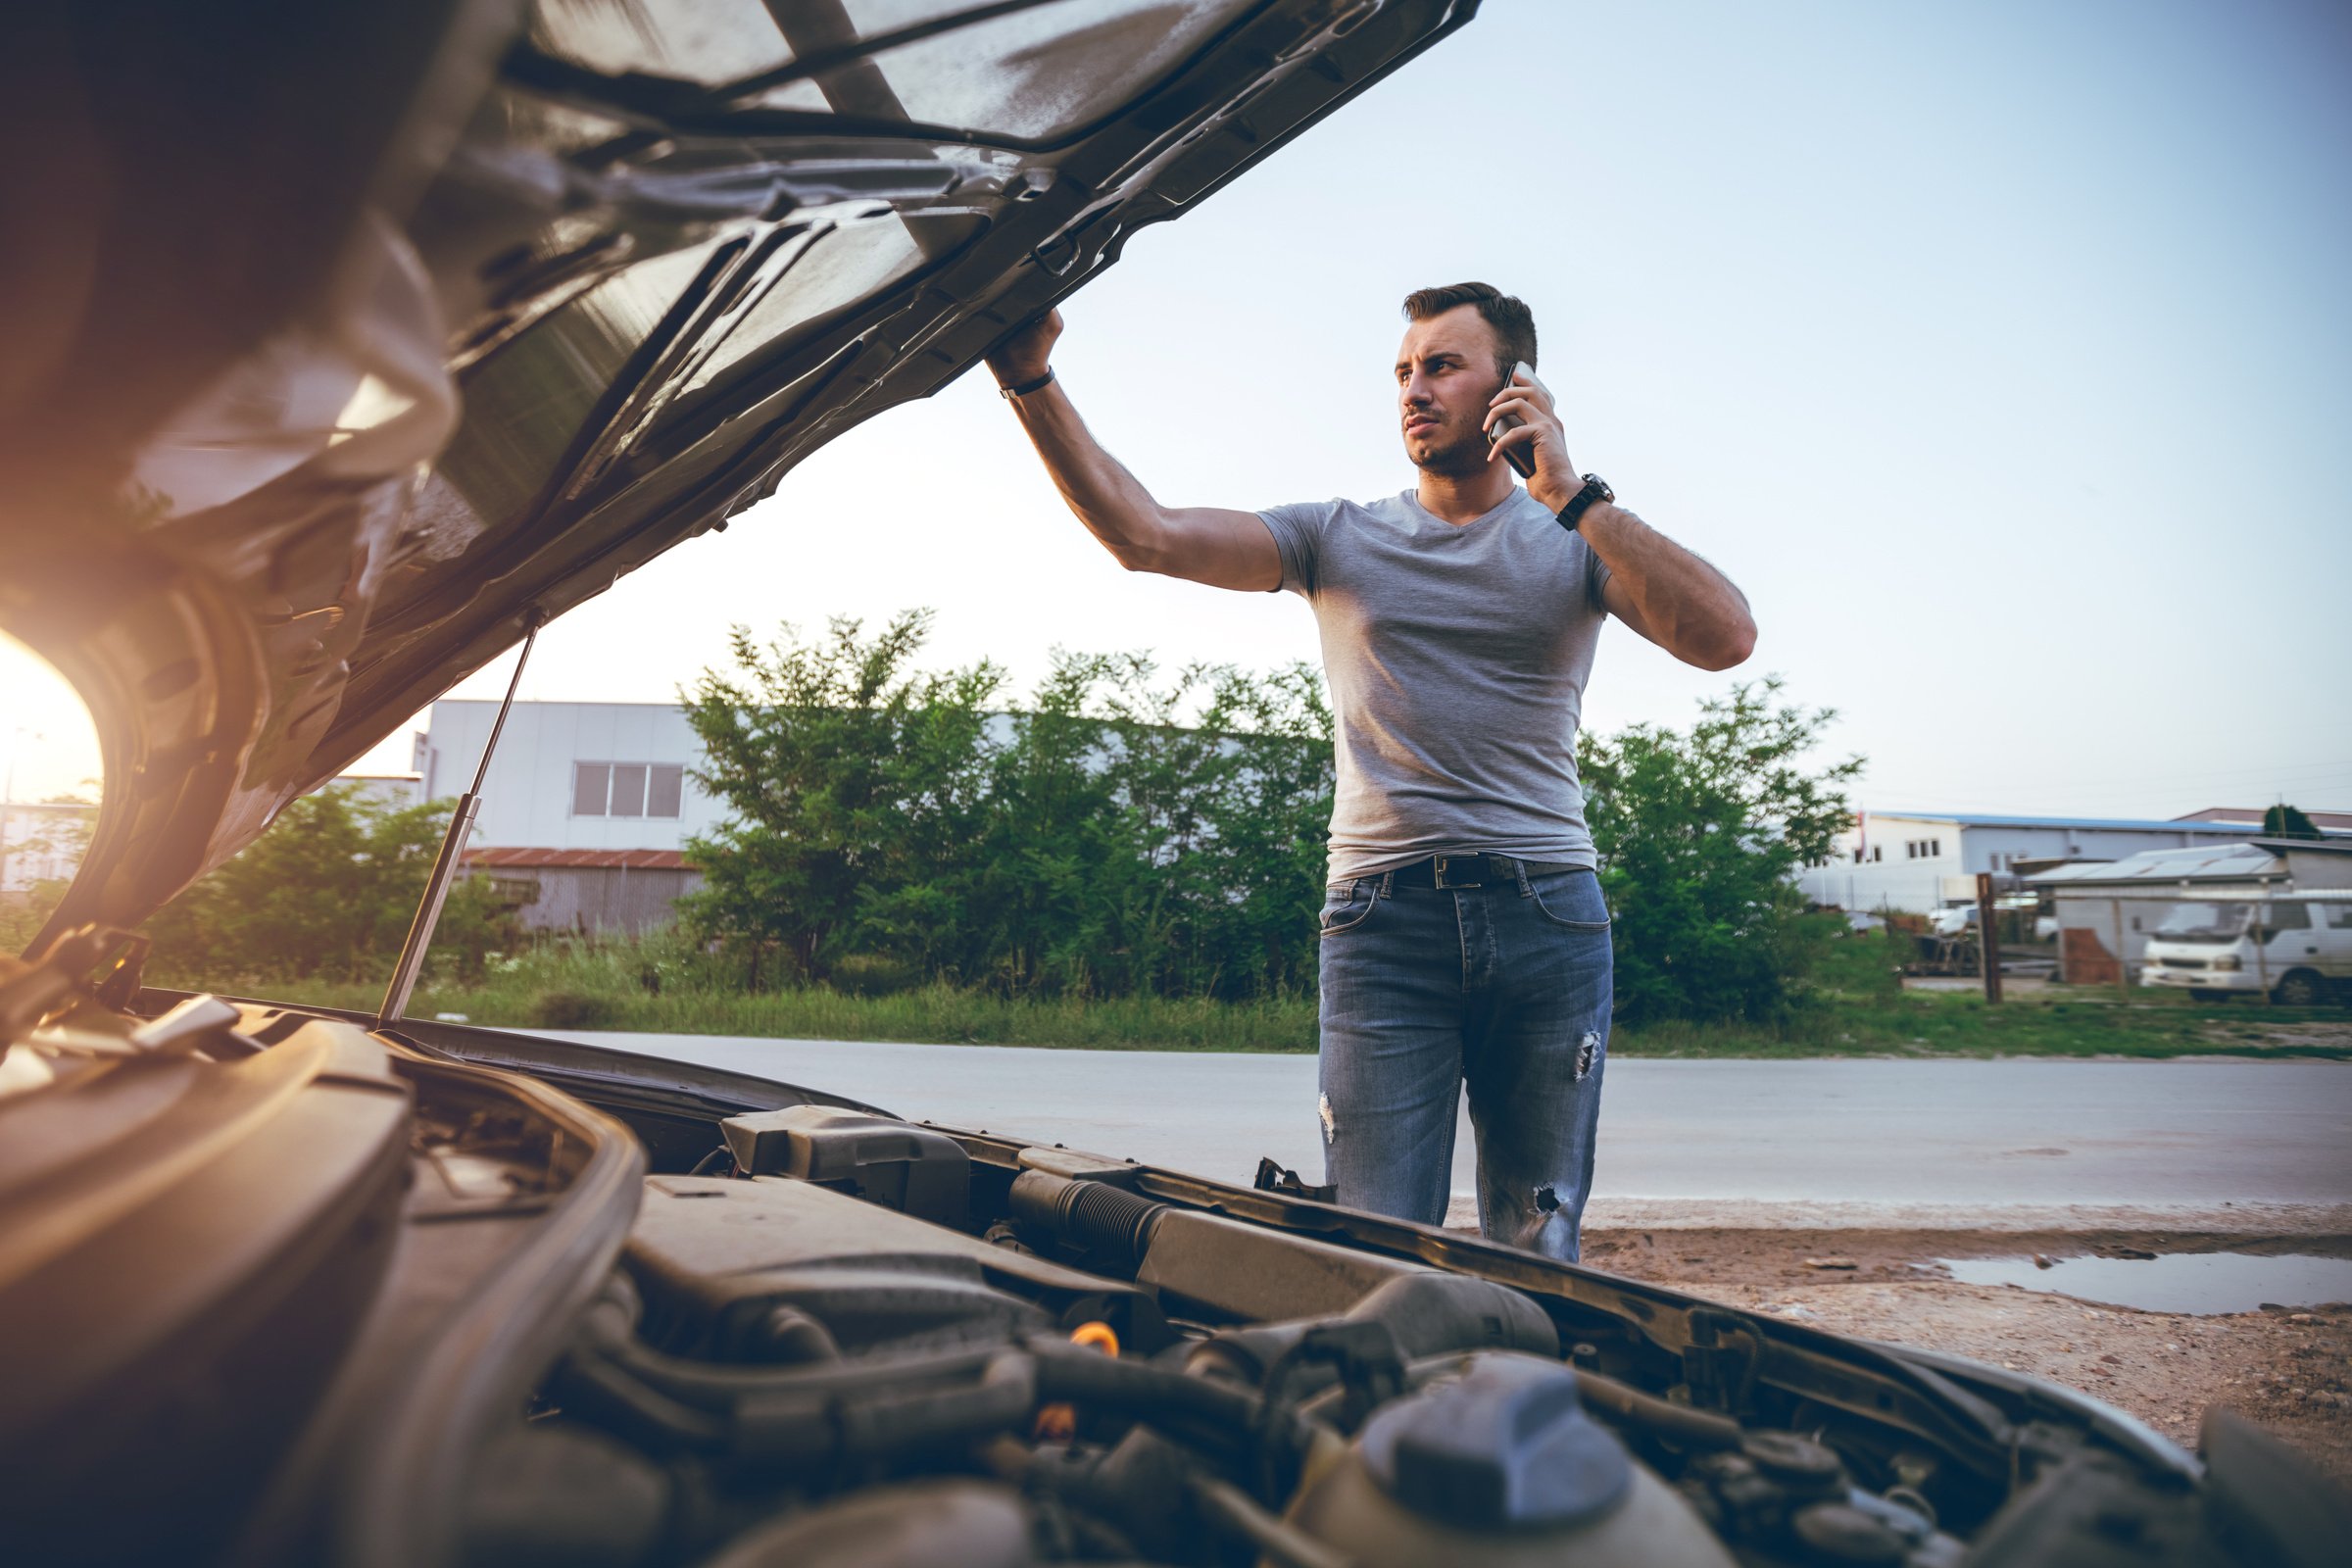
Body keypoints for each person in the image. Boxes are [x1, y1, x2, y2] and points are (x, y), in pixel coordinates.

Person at [985, 282, 1754, 1259]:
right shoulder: (1336, 536)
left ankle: (1510, 1405)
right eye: (1403, 370)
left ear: (1514, 388)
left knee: (1537, 1237)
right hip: (1382, 924)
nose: (1413, 389)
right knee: (1366, 1242)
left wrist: (1568, 492)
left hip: (1548, 915)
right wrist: (1029, 378)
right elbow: (1147, 534)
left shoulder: (1578, 541)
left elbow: (1725, 635)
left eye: (1442, 365)